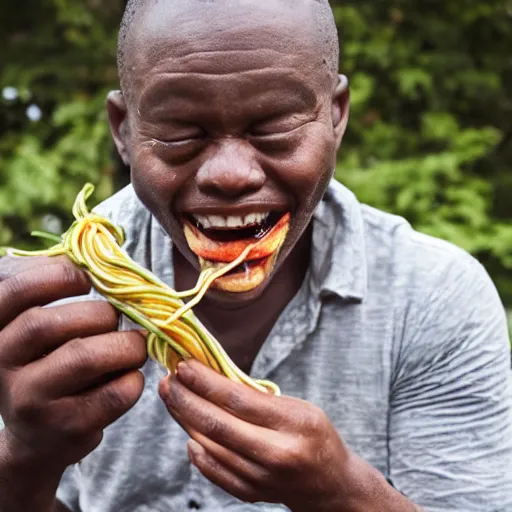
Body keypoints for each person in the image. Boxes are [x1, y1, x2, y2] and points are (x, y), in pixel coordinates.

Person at [1, 1, 511, 511]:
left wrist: (344, 494)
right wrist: (28, 455)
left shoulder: (433, 298)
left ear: (335, 116)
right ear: (124, 130)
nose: (230, 174)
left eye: (274, 127)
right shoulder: (53, 307)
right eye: (181, 131)